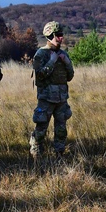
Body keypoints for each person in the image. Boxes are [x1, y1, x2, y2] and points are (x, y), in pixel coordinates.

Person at [30, 21, 74, 159]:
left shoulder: (63, 54)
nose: (61, 38)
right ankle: (36, 155)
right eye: (58, 35)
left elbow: (70, 76)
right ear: (50, 35)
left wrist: (66, 62)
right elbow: (40, 76)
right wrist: (52, 61)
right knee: (41, 129)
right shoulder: (41, 54)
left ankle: (59, 154)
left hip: (61, 99)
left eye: (61, 35)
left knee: (61, 130)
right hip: (46, 99)